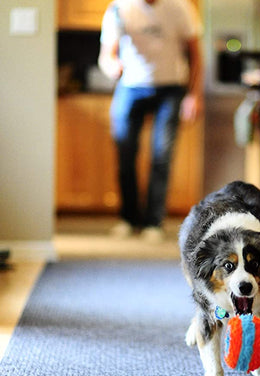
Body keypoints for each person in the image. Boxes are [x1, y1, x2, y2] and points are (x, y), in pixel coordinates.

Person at [98, 0, 203, 242]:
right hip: (130, 87)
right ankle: (128, 218)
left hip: (171, 88)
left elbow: (195, 55)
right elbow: (106, 56)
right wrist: (112, 66)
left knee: (162, 155)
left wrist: (194, 95)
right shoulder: (119, 9)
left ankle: (153, 221)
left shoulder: (181, 8)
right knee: (125, 153)